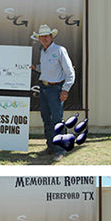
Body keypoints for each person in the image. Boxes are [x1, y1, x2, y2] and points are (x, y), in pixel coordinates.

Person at [30, 24, 75, 161]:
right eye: (41, 36)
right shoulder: (43, 51)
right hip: (44, 89)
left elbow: (70, 72)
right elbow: (45, 69)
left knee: (56, 120)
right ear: (39, 39)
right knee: (46, 119)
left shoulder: (60, 50)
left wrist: (65, 89)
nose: (44, 38)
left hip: (55, 89)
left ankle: (59, 150)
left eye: (46, 36)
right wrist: (35, 68)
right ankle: (50, 147)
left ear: (51, 36)